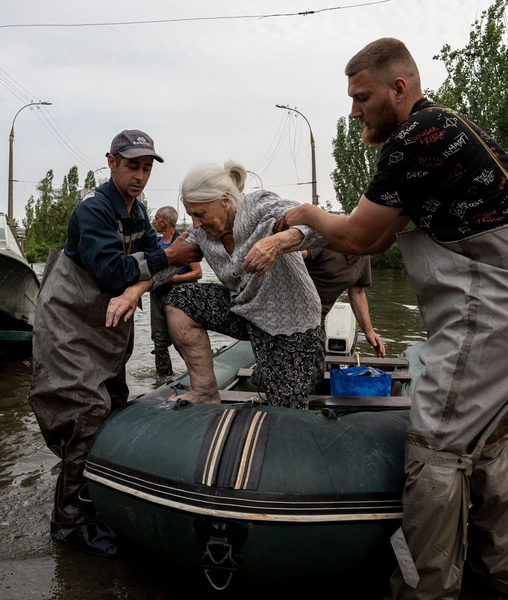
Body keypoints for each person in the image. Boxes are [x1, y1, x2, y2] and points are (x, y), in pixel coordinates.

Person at [268, 38, 508, 599]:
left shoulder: (413, 139)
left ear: (398, 88)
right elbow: (376, 240)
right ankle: (498, 585)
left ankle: (429, 592)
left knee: (435, 447)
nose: (354, 111)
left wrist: (304, 213)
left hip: (492, 302)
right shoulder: (443, 128)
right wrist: (328, 225)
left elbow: (354, 235)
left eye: (362, 97)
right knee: (487, 441)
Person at [28, 130, 201, 558]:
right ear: (111, 162)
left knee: (114, 404)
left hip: (106, 325)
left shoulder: (138, 212)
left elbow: (139, 270)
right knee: (83, 413)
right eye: (132, 166)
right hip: (68, 325)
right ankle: (69, 522)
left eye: (146, 167)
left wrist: (142, 281)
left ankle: (95, 497)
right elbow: (111, 272)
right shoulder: (93, 210)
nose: (140, 175)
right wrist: (166, 259)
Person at [114, 160, 325, 409]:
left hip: (289, 321)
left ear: (225, 201)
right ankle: (204, 391)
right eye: (191, 214)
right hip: (244, 311)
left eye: (200, 214)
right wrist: (134, 290)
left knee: (283, 410)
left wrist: (277, 242)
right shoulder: (203, 233)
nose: (195, 223)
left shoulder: (258, 205)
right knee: (180, 299)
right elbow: (169, 266)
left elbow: (320, 227)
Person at [303, 247, 385, 358]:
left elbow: (357, 292)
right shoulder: (325, 239)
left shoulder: (364, 256)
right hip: (290, 312)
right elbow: (295, 252)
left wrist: (369, 331)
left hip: (317, 319)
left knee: (316, 370)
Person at [149, 206, 202, 376]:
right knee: (158, 339)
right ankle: (162, 378)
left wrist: (173, 278)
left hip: (177, 297)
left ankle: (197, 375)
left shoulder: (183, 242)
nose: (154, 222)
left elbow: (197, 272)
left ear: (166, 221)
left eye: (157, 218)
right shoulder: (156, 243)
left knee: (180, 339)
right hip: (157, 294)